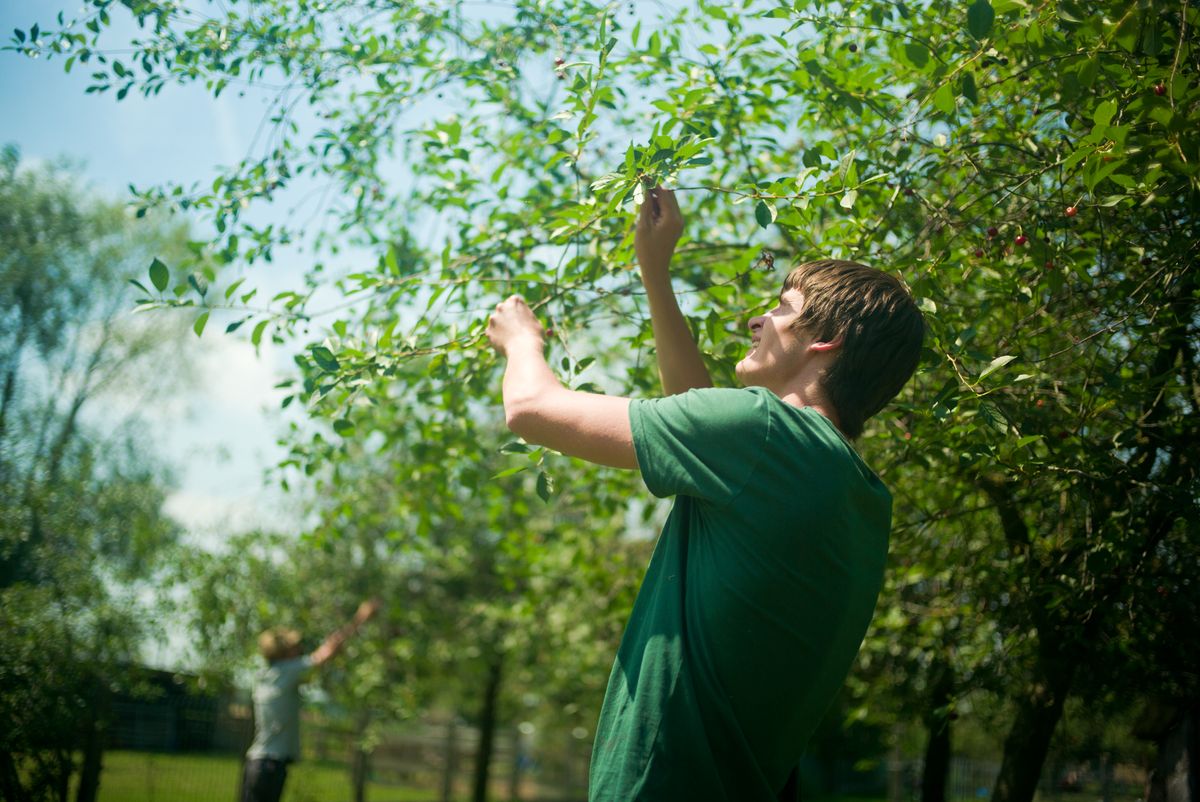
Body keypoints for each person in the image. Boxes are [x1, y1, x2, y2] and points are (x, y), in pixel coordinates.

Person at [486, 186, 924, 801]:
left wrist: (521, 342)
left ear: (827, 341)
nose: (757, 319)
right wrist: (654, 273)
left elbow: (531, 409)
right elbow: (696, 416)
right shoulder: (853, 493)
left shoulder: (761, 435)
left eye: (782, 308)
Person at [240, 598, 382, 802]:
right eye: (294, 647)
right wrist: (360, 618)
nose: (299, 649)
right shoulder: (288, 670)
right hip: (269, 767)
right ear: (285, 653)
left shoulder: (267, 674)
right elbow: (327, 653)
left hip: (257, 764)